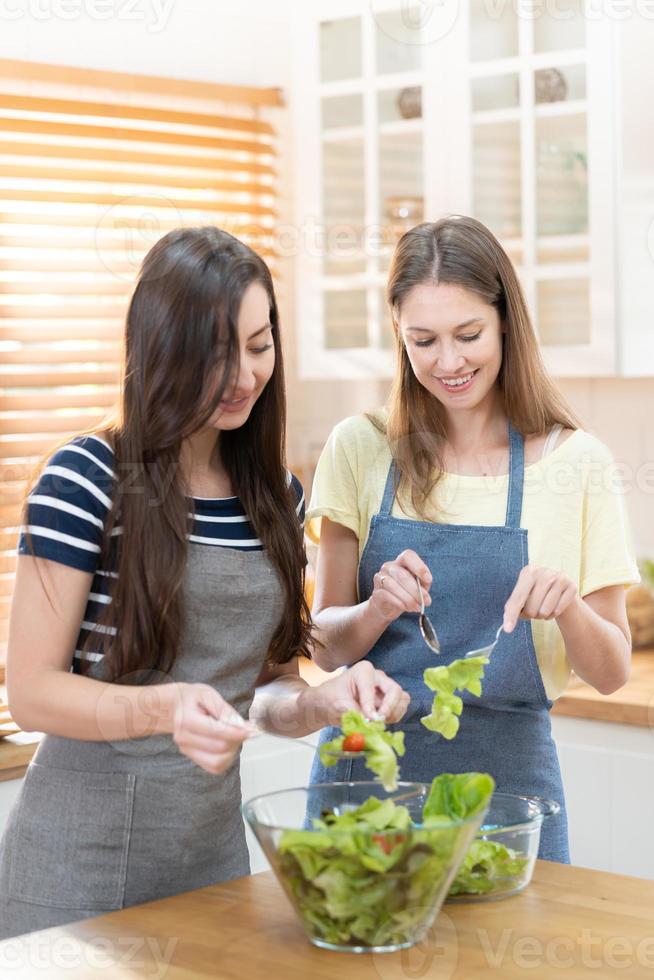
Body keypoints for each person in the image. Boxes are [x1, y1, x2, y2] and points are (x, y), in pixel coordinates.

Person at [0, 226, 409, 939]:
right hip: (73, 871)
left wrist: (321, 704)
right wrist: (167, 709)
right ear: (160, 346)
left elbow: (264, 689)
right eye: (216, 351)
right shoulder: (86, 479)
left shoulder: (276, 495)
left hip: (211, 863)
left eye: (258, 346)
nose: (244, 375)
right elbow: (31, 692)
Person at [307, 216, 639, 862]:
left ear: (506, 322)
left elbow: (611, 671)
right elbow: (323, 646)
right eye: (422, 340)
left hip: (508, 792)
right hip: (366, 782)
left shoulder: (579, 463)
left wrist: (568, 606)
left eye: (468, 335)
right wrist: (377, 607)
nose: (448, 362)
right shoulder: (360, 448)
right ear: (398, 336)